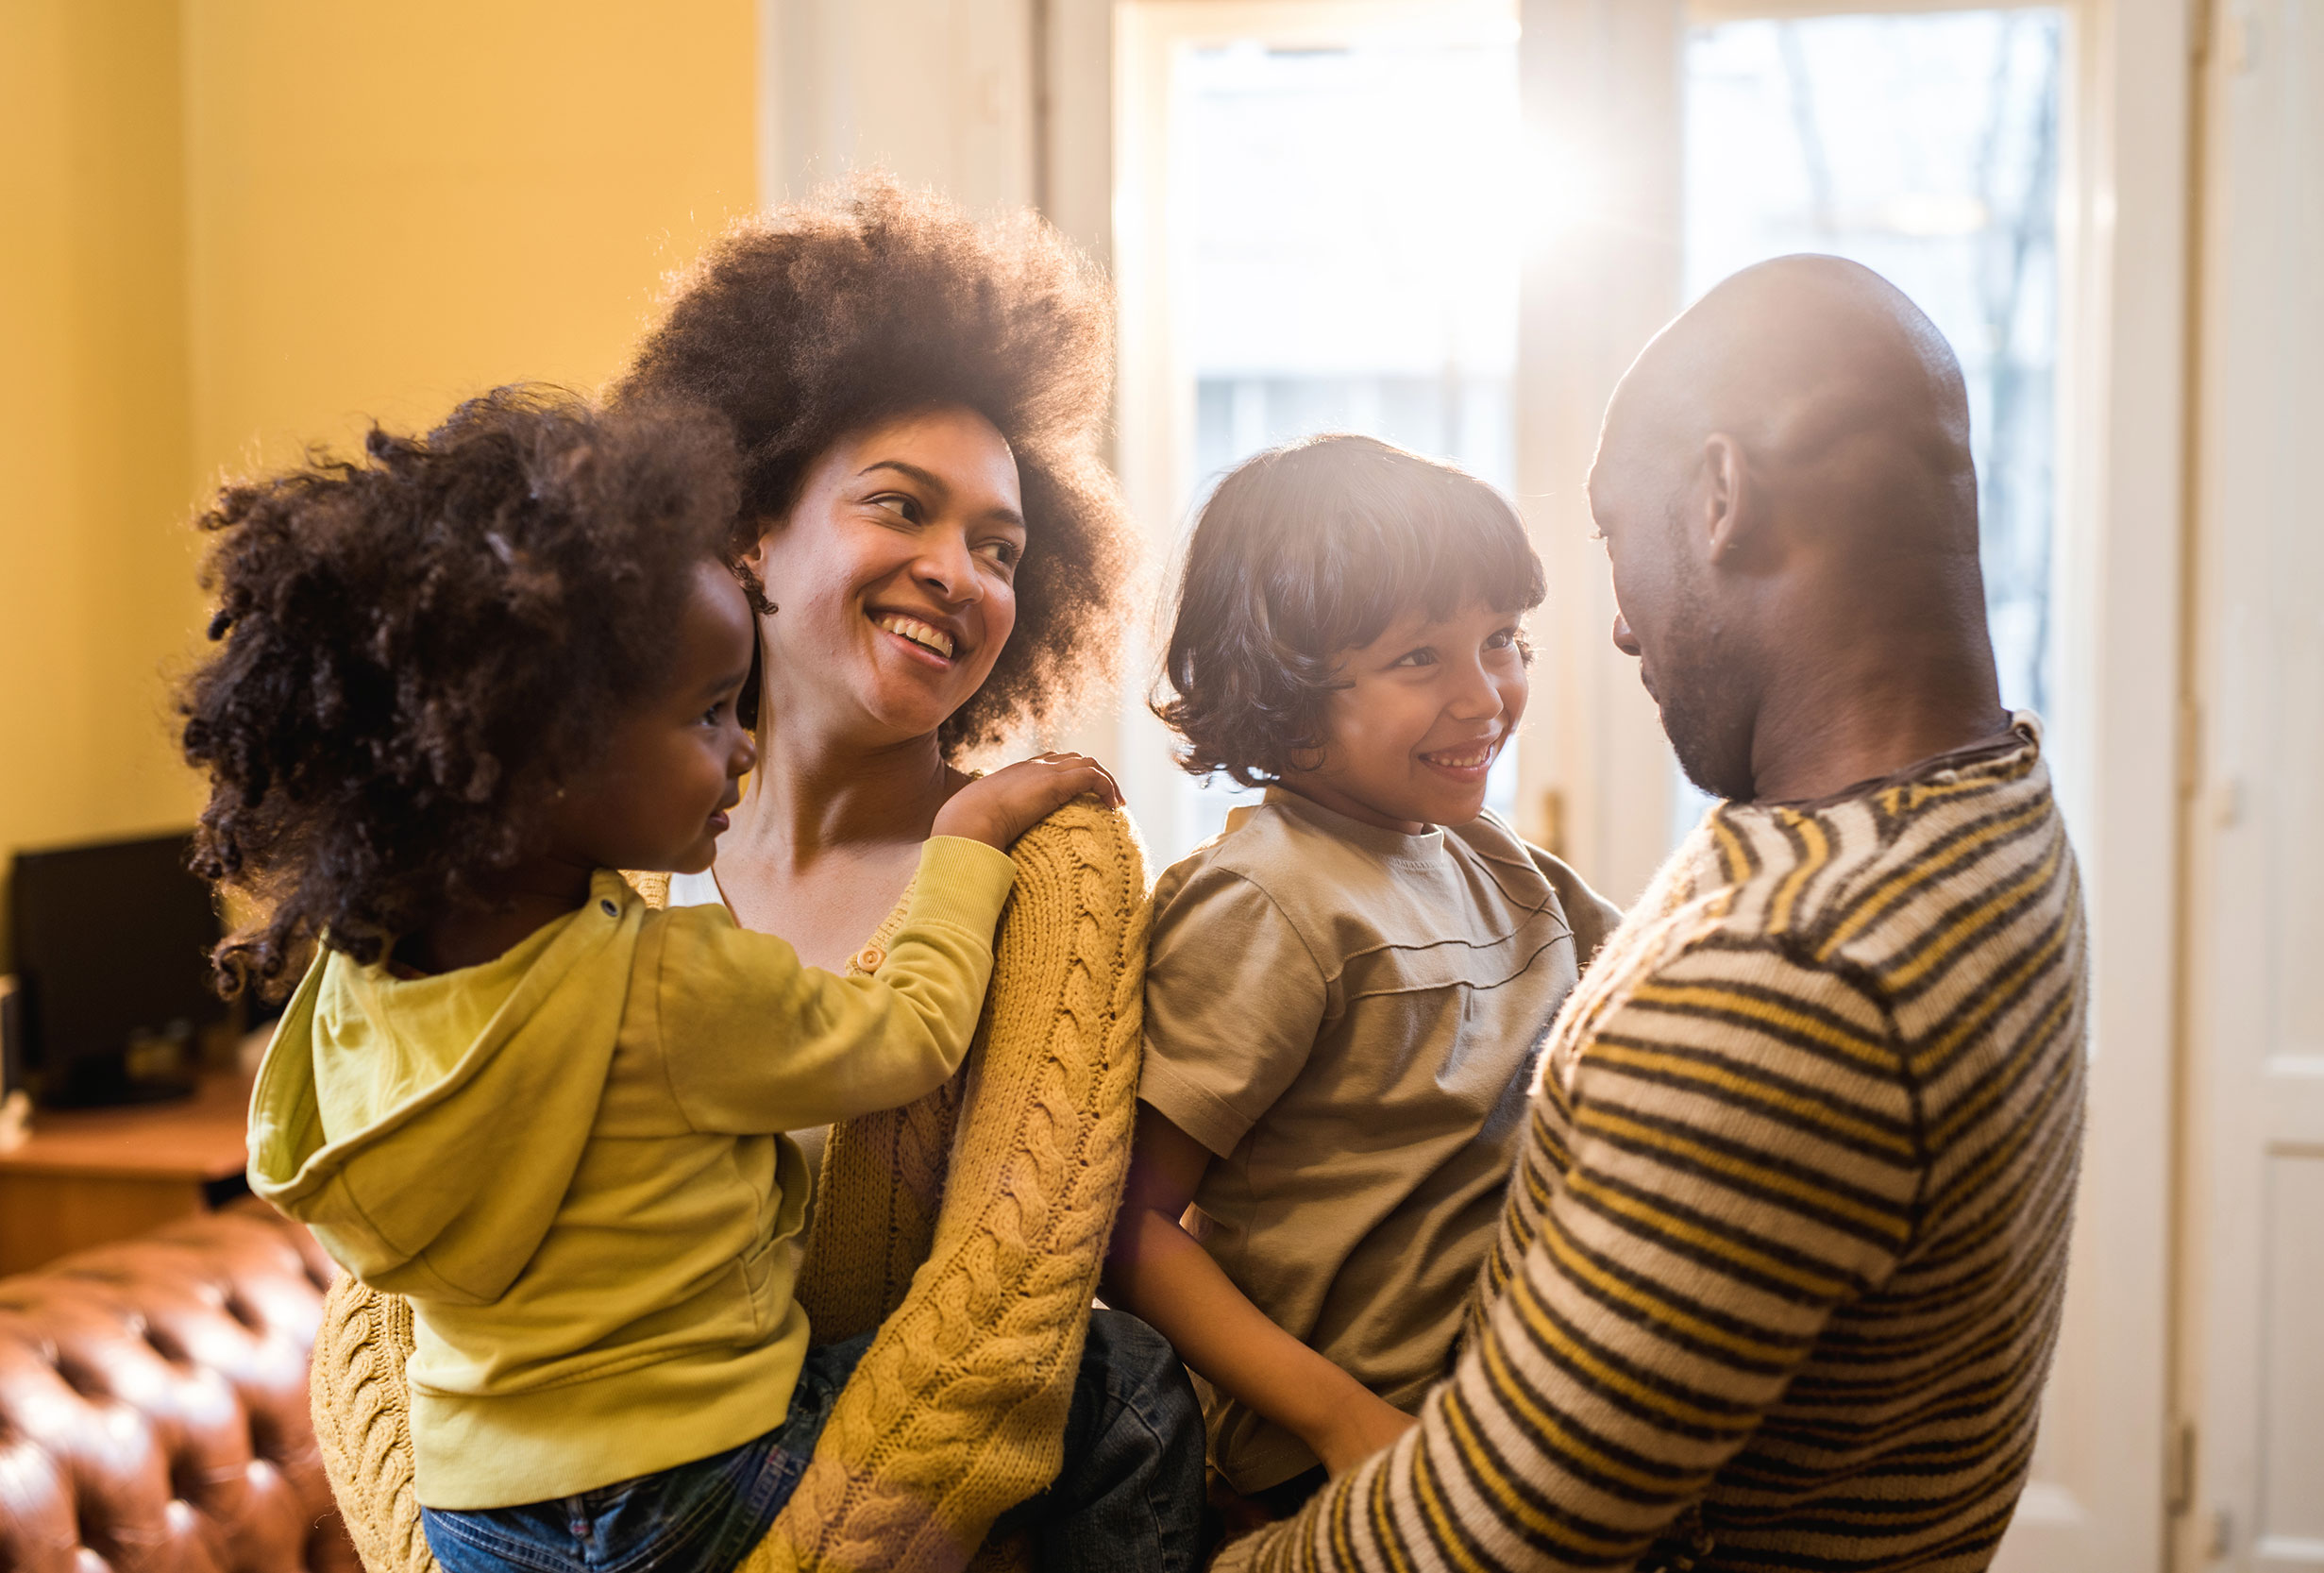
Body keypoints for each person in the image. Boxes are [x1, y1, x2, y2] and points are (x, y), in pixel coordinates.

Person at [305, 178, 1207, 1573]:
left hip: (878, 1538)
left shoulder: (1049, 858)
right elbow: (387, 1306)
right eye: (901, 506)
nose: (959, 574)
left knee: (1119, 1373)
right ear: (747, 527)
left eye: (1001, 548)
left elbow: (1008, 1317)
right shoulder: (568, 851)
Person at [1216, 255, 2089, 1573]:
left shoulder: (1793, 971)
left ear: (1720, 499)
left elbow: (1482, 1544)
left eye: (1617, 537)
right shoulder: (1987, 805)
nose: (1621, 629)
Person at [1101, 436, 1618, 1517]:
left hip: (1515, 1397)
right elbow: (1127, 1226)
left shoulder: (1493, 858)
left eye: (1501, 639)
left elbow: (1669, 978)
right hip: (1339, 1453)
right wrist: (1340, 1421)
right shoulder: (1264, 899)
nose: (1485, 695)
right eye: (1420, 658)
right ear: (1282, 691)